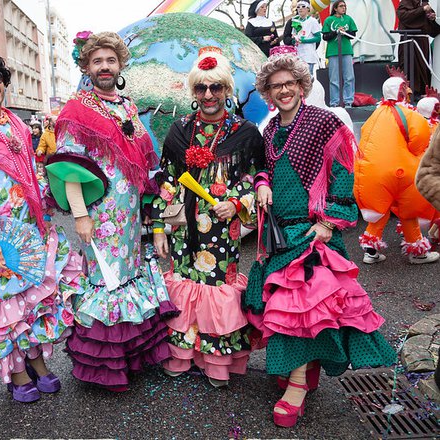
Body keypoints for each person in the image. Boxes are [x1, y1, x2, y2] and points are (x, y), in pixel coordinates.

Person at [245, 51, 397, 428]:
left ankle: (296, 384)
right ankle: (305, 368)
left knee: (298, 307)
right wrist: (261, 184)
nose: (284, 91)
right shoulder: (268, 130)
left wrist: (329, 221)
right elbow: (264, 167)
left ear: (301, 85)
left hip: (313, 231)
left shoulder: (324, 122)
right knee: (292, 311)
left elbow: (345, 169)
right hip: (279, 231)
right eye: (275, 85)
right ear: (267, 91)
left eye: (290, 84)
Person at [0, 47, 81, 403]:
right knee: (7, 301)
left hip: (32, 225)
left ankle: (35, 361)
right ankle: (17, 373)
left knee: (33, 300)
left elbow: (29, 173)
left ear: (4, 81)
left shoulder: (17, 122)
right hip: (4, 230)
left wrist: (48, 198)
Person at [49, 31, 177, 391]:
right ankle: (106, 366)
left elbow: (142, 162)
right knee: (105, 281)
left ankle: (132, 355)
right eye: (97, 61)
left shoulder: (128, 106)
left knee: (128, 276)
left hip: (130, 216)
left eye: (110, 60)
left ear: (120, 64)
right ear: (86, 67)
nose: (104, 67)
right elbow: (67, 167)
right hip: (100, 216)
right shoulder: (76, 109)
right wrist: (80, 215)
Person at [150, 47, 264, 387]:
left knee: (216, 289)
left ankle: (215, 363)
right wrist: (158, 226)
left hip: (222, 230)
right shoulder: (178, 130)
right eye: (201, 88)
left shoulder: (245, 133)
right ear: (193, 92)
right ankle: (182, 357)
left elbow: (256, 178)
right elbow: (167, 180)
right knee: (184, 286)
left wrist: (236, 203)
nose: (209, 95)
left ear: (228, 90)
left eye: (216, 87)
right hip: (184, 229)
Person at [354, 77, 438, 264]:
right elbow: (419, 142)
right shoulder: (408, 114)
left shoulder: (375, 114)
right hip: (401, 172)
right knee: (408, 210)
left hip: (373, 173)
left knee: (382, 208)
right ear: (401, 92)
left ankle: (370, 249)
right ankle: (418, 252)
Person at [397, 0, 440, 98]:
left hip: (422, 40)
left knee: (423, 67)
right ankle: (408, 94)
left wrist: (431, 18)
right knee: (408, 66)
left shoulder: (425, 3)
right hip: (408, 40)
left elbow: (430, 25)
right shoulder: (406, 2)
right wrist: (422, 10)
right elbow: (404, 16)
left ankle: (421, 92)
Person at [322, 0, 357, 107]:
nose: (344, 8)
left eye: (344, 6)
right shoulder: (329, 20)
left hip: (346, 51)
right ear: (335, 8)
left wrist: (344, 32)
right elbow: (325, 36)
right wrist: (335, 32)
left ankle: (348, 101)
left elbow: (353, 34)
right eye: (341, 6)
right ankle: (334, 102)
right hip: (333, 52)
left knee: (349, 77)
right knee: (334, 78)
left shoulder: (348, 19)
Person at [284, 1, 321, 75]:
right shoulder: (294, 21)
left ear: (308, 9)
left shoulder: (312, 21)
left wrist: (305, 41)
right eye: (298, 7)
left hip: (308, 54)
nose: (300, 9)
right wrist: (294, 41)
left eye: (303, 6)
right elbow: (292, 36)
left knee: (307, 78)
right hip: (297, 54)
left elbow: (318, 38)